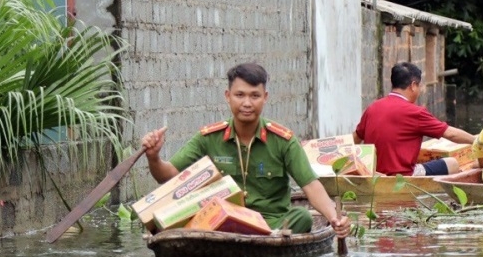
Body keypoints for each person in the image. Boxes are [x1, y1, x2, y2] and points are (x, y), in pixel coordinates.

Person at [140, 63, 351, 238]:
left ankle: (269, 237)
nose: (247, 103)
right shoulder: (208, 138)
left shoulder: (283, 141)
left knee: (302, 217)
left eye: (254, 96)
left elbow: (311, 186)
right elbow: (167, 177)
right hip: (223, 222)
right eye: (240, 95)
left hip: (271, 223)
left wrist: (335, 218)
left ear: (265, 97)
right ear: (228, 96)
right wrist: (154, 157)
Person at [354, 62, 475, 176]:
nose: (420, 91)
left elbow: (355, 138)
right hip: (403, 176)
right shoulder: (416, 112)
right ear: (413, 86)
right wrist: (477, 140)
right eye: (419, 86)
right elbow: (451, 134)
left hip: (374, 175)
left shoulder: (372, 107)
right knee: (452, 163)